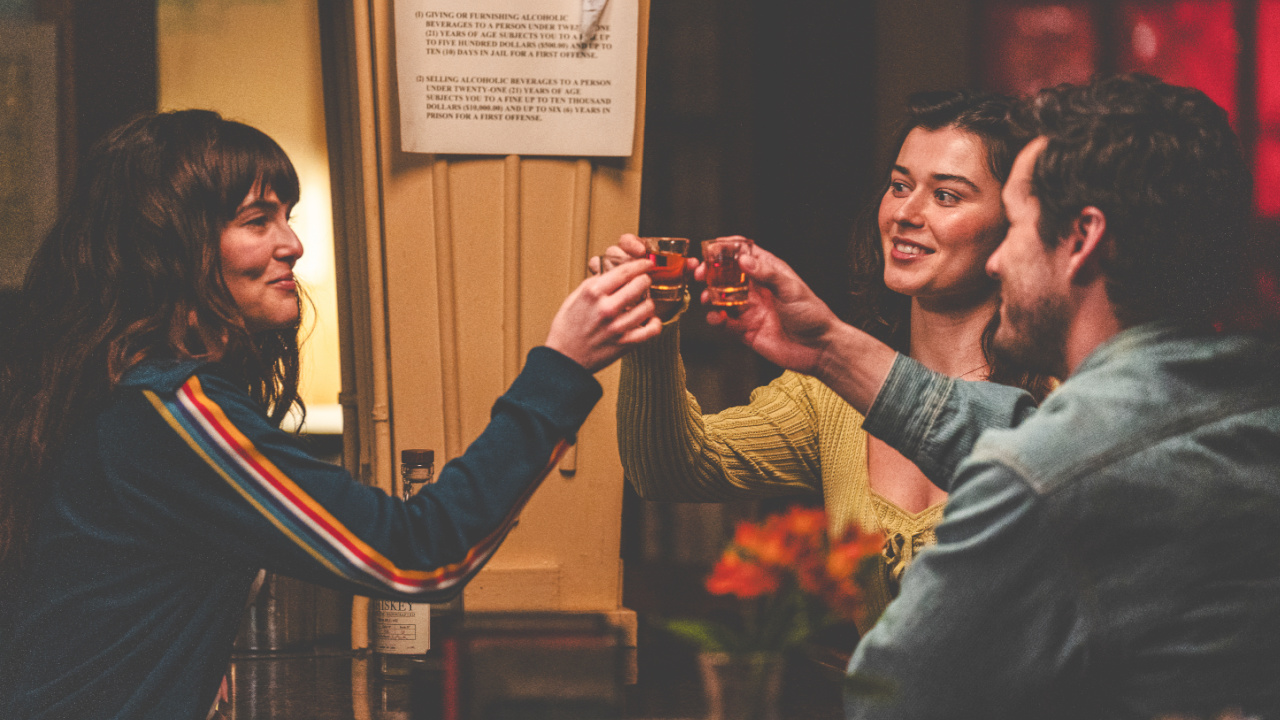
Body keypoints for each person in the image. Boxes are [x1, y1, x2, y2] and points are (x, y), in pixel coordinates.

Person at [0, 109, 661, 719]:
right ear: (175, 245)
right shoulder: (170, 409)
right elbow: (418, 555)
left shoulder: (118, 391)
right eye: (258, 220)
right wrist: (563, 367)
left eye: (286, 216)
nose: (292, 243)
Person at [702, 74, 1280, 718]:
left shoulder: (1044, 481)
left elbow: (891, 696)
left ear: (1081, 239)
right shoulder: (1247, 404)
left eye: (1018, 226)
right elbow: (1017, 426)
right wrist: (831, 348)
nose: (999, 260)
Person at [597, 91, 1052, 629]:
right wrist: (652, 326)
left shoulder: (1056, 402)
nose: (906, 213)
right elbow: (669, 470)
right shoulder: (830, 395)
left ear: (1012, 226)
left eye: (946, 197)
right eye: (900, 186)